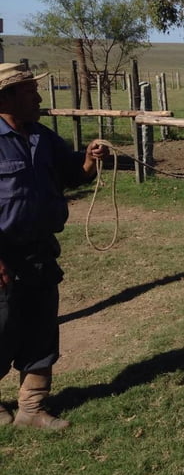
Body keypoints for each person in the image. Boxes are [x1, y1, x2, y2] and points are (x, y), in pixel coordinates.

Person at [0, 62, 109, 430]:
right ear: (7, 97)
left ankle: (31, 408)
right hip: (3, 256)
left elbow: (73, 173)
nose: (39, 97)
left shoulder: (43, 138)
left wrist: (90, 159)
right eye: (30, 91)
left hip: (40, 252)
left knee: (42, 329)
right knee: (1, 328)